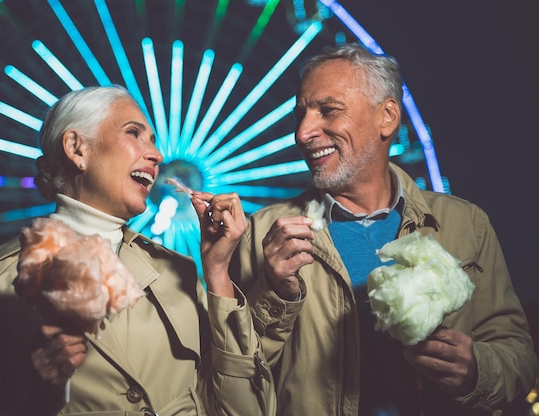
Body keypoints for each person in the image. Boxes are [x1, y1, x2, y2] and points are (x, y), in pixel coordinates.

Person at [229, 43, 538, 415]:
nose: (303, 132)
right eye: (300, 115)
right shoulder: (263, 234)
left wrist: (475, 370)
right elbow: (234, 381)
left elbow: (517, 356)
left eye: (328, 110)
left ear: (387, 117)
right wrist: (275, 293)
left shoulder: (467, 224)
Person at [0, 85, 275, 416]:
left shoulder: (180, 272)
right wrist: (38, 398)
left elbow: (246, 409)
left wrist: (217, 270)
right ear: (78, 149)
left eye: (153, 140)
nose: (157, 154)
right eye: (134, 133)